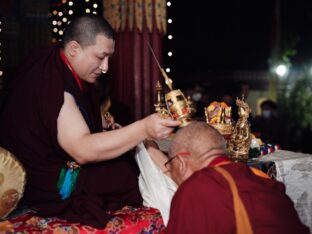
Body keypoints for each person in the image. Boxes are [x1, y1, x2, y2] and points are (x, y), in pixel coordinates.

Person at [0, 14, 180, 229]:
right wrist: (144, 128)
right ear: (74, 49)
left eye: (108, 58)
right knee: (125, 172)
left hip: (55, 160)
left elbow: (70, 120)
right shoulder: (53, 81)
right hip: (49, 179)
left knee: (126, 160)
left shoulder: (61, 65)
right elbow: (82, 151)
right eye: (100, 57)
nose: (105, 67)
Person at [148, 122, 309, 233]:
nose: (170, 171)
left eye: (171, 164)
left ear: (181, 162)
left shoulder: (198, 189)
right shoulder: (261, 178)